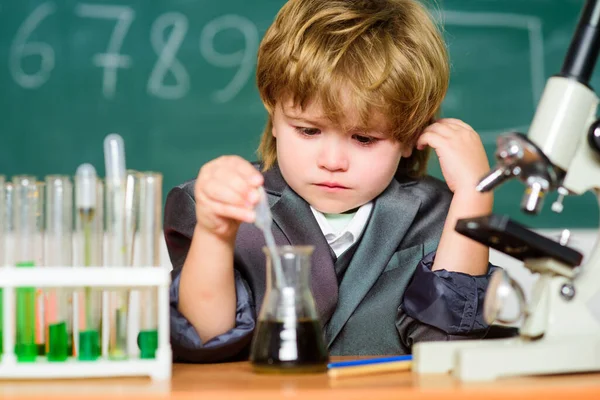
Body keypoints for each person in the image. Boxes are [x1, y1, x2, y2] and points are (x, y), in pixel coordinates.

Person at [165, 0, 500, 363]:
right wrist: (215, 235)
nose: (333, 162)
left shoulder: (444, 216)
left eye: (365, 139)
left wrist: (473, 196)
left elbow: (447, 348)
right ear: (273, 112)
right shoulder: (215, 206)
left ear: (411, 134)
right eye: (309, 130)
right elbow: (204, 337)